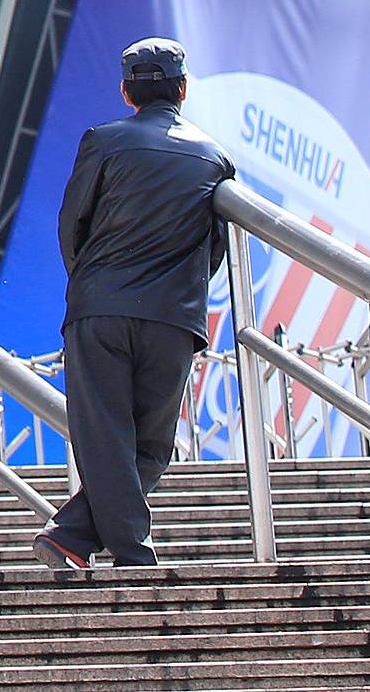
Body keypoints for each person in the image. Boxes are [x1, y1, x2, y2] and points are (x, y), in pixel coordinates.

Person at [33, 36, 233, 575]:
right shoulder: (215, 160)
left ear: (126, 92)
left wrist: (92, 281)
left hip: (100, 308)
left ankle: (98, 542)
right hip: (173, 318)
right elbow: (215, 248)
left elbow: (72, 223)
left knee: (104, 435)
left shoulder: (103, 141)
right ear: (183, 90)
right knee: (151, 444)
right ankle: (93, 540)